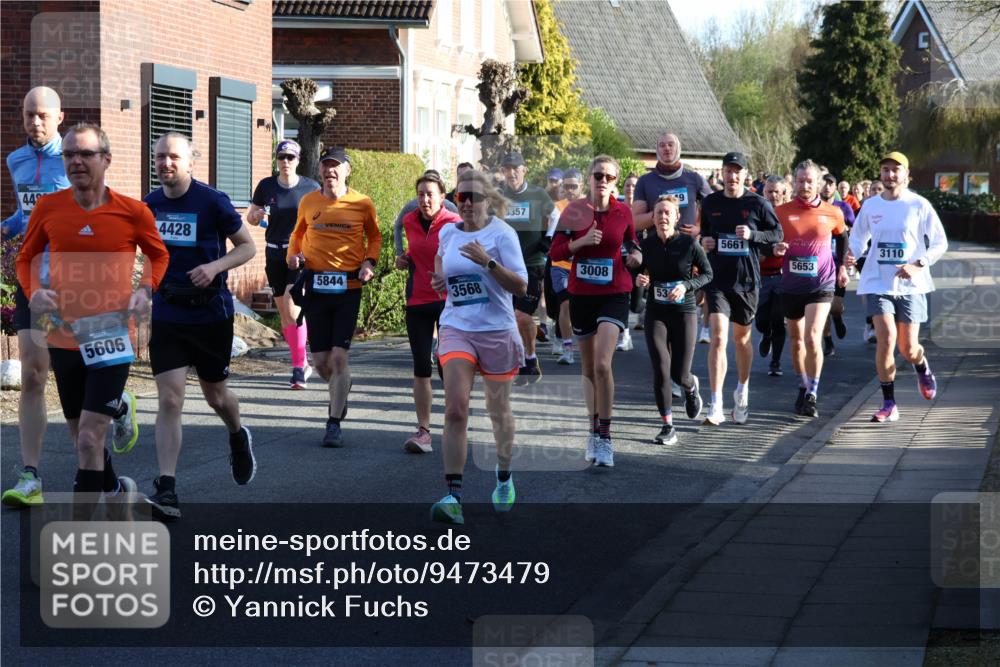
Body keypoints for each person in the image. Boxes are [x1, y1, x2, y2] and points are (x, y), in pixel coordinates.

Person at [15, 122, 169, 517]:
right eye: (68, 155)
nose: (76, 162)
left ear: (106, 159)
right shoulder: (49, 208)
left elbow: (159, 255)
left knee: (87, 437)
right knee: (85, 440)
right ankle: (118, 489)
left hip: (111, 334)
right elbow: (25, 257)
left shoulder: (134, 211)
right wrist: (36, 293)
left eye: (85, 154)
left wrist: (145, 289)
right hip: (64, 334)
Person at [2, 89, 137, 508]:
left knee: (78, 399)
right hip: (34, 287)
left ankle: (116, 405)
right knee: (32, 376)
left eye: (43, 115)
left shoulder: (79, 157)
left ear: (59, 117)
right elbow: (27, 215)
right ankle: (31, 476)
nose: (35, 122)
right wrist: (7, 227)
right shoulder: (16, 161)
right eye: (29, 115)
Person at [143, 132, 257, 520]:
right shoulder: (150, 205)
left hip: (210, 315)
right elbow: (145, 253)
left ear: (190, 161)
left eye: (173, 157)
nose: (165, 164)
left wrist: (214, 267)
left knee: (216, 396)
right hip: (169, 314)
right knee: (170, 399)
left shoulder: (212, 201)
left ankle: (237, 436)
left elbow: (247, 247)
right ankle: (167, 486)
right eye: (160, 157)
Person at [428, 170, 527, 524]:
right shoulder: (447, 232)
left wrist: (488, 262)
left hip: (497, 330)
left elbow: (520, 286)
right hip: (457, 327)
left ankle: (503, 474)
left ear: (488, 200)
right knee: (456, 409)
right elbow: (442, 259)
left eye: (474, 197)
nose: (467, 203)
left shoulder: (503, 234)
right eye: (461, 196)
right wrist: (441, 276)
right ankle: (453, 497)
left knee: (498, 412)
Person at [550, 156, 642, 467]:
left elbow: (632, 243)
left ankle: (606, 436)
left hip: (614, 293)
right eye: (598, 175)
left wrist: (636, 257)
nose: (603, 181)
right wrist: (581, 243)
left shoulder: (623, 211)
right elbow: (555, 252)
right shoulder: (574, 211)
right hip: (582, 295)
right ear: (590, 178)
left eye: (609, 177)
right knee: (588, 370)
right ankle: (592, 431)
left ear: (615, 182)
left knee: (603, 364)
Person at [287, 148, 381, 446]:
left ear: (347, 171)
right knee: (322, 361)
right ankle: (342, 388)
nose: (330, 171)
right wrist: (293, 256)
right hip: (315, 286)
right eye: (326, 166)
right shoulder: (308, 201)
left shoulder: (362, 203)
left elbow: (375, 237)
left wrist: (369, 262)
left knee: (340, 358)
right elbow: (296, 235)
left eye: (336, 166)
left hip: (348, 289)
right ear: (320, 172)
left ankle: (333, 422)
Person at [848, 152, 948, 423]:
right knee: (887, 338)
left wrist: (919, 263)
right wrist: (856, 257)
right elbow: (857, 237)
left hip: (911, 284)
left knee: (908, 347)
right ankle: (889, 403)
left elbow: (940, 242)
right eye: (885, 170)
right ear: (880, 174)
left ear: (906, 175)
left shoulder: (919, 204)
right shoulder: (870, 206)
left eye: (896, 170)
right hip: (878, 282)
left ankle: (921, 365)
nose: (890, 175)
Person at [699, 152, 782, 425]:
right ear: (721, 173)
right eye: (728, 171)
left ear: (745, 175)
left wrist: (753, 235)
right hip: (717, 280)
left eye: (738, 172)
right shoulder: (711, 202)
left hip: (746, 282)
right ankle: (716, 403)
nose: (732, 176)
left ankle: (742, 390)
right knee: (719, 338)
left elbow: (776, 234)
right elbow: (705, 233)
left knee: (741, 340)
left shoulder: (757, 203)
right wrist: (705, 241)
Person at [771, 160, 848, 418]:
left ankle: (813, 394)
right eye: (801, 180)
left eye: (810, 181)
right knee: (796, 340)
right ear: (794, 182)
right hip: (792, 284)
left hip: (821, 283)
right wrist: (775, 248)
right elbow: (769, 240)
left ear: (819, 183)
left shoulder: (832, 212)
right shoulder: (781, 211)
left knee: (813, 336)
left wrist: (842, 267)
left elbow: (842, 236)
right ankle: (803, 385)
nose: (805, 185)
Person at [635, 195, 711, 444]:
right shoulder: (647, 245)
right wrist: (641, 280)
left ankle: (691, 387)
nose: (663, 217)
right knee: (660, 369)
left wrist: (687, 286)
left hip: (684, 312)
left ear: (677, 217)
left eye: (668, 213)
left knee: (680, 373)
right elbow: (639, 272)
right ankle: (667, 425)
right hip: (657, 312)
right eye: (658, 213)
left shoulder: (689, 244)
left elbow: (708, 274)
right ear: (653, 218)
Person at [395, 171, 460, 453]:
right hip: (418, 300)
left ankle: (455, 423)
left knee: (447, 366)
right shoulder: (409, 221)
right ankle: (423, 431)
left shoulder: (454, 223)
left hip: (448, 302)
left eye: (430, 194)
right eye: (420, 194)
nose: (424, 199)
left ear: (442, 197)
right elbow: (416, 251)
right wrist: (405, 257)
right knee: (421, 365)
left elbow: (461, 259)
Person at [246, 139, 319, 389]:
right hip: (273, 253)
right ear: (276, 160)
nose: (285, 162)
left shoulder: (311, 188)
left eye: (290, 158)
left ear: (298, 160)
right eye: (281, 158)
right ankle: (301, 360)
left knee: (292, 307)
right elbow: (252, 216)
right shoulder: (266, 186)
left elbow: (320, 220)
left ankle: (299, 367)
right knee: (285, 315)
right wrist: (255, 216)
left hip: (298, 254)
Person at [630, 133, 713, 343]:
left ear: (679, 148)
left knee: (684, 310)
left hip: (686, 252)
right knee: (660, 315)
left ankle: (680, 366)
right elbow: (636, 221)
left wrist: (698, 228)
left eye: (671, 145)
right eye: (662, 145)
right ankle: (665, 366)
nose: (667, 149)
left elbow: (715, 208)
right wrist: (661, 213)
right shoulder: (645, 181)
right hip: (656, 251)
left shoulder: (693, 178)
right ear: (656, 149)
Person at [499, 151, 558, 384]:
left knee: (521, 316)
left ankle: (530, 357)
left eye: (516, 168)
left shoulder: (537, 193)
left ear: (524, 170)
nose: (511, 172)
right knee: (510, 318)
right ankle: (526, 363)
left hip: (532, 264)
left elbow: (555, 214)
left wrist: (548, 239)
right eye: (507, 168)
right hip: (505, 266)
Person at [548, 168, 585, 364]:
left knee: (580, 308)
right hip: (560, 265)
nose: (570, 190)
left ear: (581, 187)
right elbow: (550, 237)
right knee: (565, 304)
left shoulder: (589, 208)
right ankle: (568, 348)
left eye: (574, 186)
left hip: (582, 267)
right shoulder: (557, 208)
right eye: (567, 186)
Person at [757, 175, 791, 377]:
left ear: (783, 193)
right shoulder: (758, 211)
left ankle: (776, 361)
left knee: (778, 318)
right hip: (760, 274)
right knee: (761, 320)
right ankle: (766, 333)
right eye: (769, 191)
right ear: (764, 192)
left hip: (782, 274)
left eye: (777, 191)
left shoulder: (788, 214)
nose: (773, 195)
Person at [818, 173, 856, 356]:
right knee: (823, 307)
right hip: (819, 267)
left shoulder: (843, 207)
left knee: (835, 306)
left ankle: (838, 318)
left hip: (838, 263)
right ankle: (828, 341)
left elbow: (855, 230)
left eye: (830, 184)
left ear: (835, 188)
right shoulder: (814, 207)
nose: (826, 187)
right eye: (823, 183)